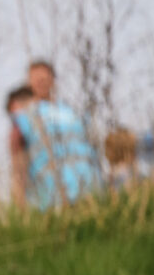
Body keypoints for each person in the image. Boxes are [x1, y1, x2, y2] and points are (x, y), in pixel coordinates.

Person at [10, 60, 102, 210]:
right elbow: (18, 162)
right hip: (51, 198)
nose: (41, 82)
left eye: (44, 77)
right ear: (28, 84)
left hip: (90, 189)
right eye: (36, 78)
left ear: (53, 80)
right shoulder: (24, 117)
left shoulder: (72, 112)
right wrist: (19, 202)